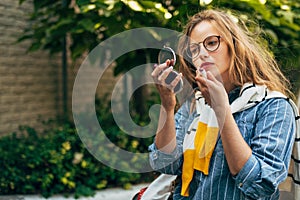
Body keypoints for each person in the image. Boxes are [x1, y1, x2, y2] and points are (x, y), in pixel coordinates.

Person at [149, 9, 300, 200]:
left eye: (211, 43)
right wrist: (167, 106)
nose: (202, 54)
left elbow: (261, 186)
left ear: (234, 45)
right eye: (194, 50)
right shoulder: (196, 104)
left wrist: (222, 111)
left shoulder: (273, 106)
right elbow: (165, 163)